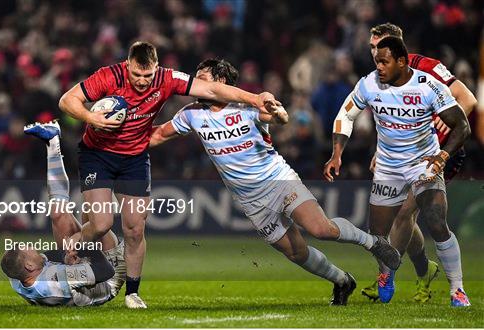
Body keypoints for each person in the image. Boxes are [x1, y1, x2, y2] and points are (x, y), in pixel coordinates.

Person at [149, 58, 401, 306]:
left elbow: (280, 118)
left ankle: (373, 243)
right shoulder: (192, 114)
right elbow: (159, 134)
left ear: (221, 81)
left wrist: (278, 112)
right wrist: (122, 137)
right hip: (250, 199)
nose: (196, 84)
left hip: (278, 180)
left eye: (202, 78)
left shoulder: (244, 105)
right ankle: (343, 280)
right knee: (296, 252)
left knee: (321, 229)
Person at [58, 41, 278, 308]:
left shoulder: (167, 78)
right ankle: (78, 240)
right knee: (102, 223)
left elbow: (211, 88)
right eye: (136, 75)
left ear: (156, 68)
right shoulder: (109, 75)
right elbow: (67, 100)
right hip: (97, 155)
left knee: (135, 229)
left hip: (135, 159)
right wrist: (91, 118)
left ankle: (133, 293)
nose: (141, 81)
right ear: (127, 65)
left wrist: (256, 99)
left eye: (147, 76)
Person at [330, 22, 477, 304]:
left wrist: (436, 138)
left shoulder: (429, 70)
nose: (375, 54)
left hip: (435, 153)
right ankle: (423, 270)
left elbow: (467, 101)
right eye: (372, 49)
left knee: (408, 215)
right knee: (402, 217)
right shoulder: (375, 79)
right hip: (398, 157)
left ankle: (398, 277)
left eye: (379, 47)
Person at [0, 120, 126, 306]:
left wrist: (67, 255)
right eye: (30, 250)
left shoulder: (19, 278)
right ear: (29, 266)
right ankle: (108, 152)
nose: (35, 248)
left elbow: (47, 257)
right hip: (109, 278)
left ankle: (52, 142)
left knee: (58, 214)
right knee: (94, 220)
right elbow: (104, 272)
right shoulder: (55, 283)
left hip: (80, 271)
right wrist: (81, 240)